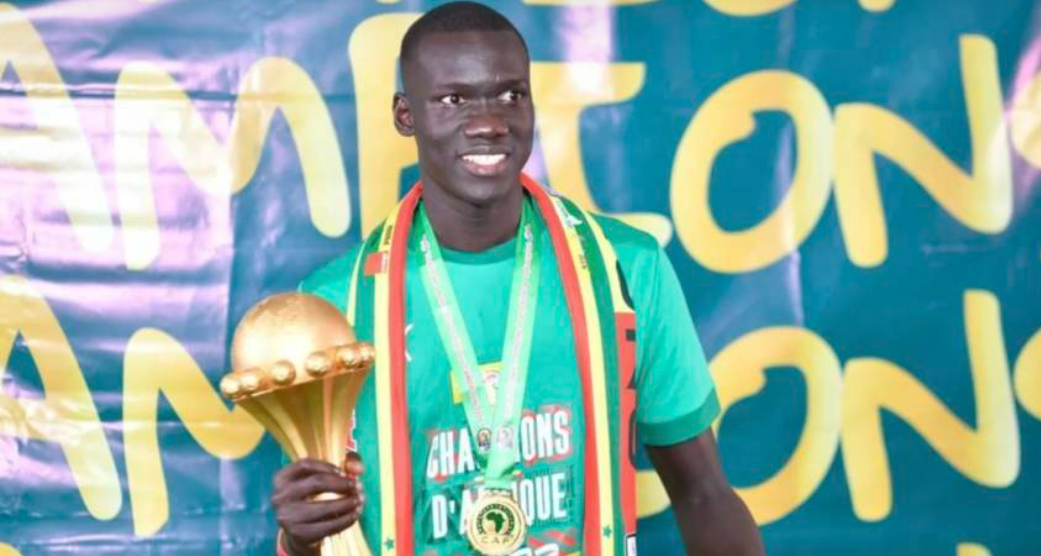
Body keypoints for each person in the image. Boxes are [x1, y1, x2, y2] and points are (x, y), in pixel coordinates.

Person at [272, 3, 764, 555]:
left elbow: (704, 496)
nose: (489, 122)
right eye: (453, 99)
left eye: (511, 94)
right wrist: (299, 535)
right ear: (405, 116)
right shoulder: (335, 305)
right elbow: (326, 530)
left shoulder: (626, 267)